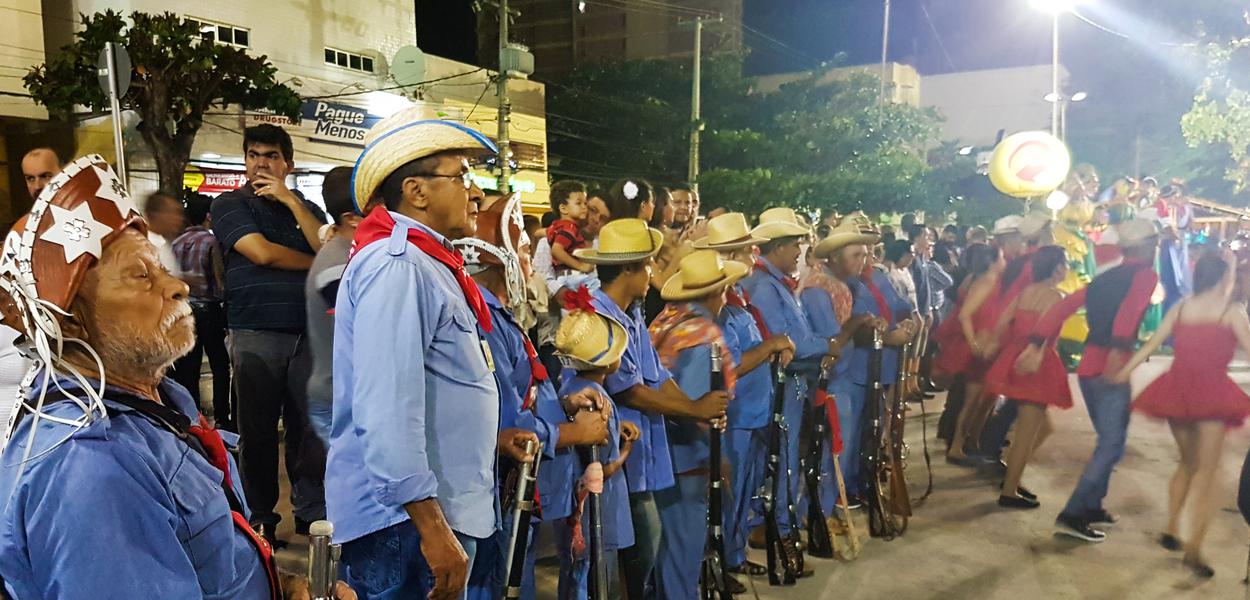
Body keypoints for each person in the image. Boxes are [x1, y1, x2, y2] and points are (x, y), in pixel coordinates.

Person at [0, 156, 353, 599]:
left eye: (160, 268)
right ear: (70, 323)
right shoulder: (89, 470)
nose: (177, 286)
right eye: (140, 276)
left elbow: (209, 560)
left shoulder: (162, 402)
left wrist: (283, 588)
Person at [328, 109, 531, 599]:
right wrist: (432, 529)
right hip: (406, 526)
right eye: (462, 175)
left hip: (435, 513)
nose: (476, 191)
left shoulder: (428, 261)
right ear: (416, 191)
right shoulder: (397, 265)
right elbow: (387, 410)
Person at [455, 194, 609, 600]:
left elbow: (526, 392)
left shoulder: (501, 314)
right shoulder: (485, 321)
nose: (532, 262)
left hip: (524, 487)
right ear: (499, 261)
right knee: (502, 583)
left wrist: (564, 405)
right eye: (524, 251)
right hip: (507, 487)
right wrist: (575, 433)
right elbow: (509, 421)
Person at [573, 218, 728, 600]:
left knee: (643, 548)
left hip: (641, 455)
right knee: (624, 554)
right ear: (629, 269)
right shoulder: (598, 314)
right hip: (614, 454)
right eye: (647, 265)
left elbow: (655, 377)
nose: (652, 274)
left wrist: (697, 408)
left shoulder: (633, 312)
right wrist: (694, 409)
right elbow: (629, 391)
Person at [210, 123, 327, 545]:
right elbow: (259, 252)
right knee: (258, 432)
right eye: (254, 154)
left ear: (288, 164)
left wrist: (292, 202)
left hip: (311, 331)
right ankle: (260, 519)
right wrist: (312, 262)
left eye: (271, 156)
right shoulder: (228, 204)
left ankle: (311, 513)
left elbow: (328, 249)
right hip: (256, 329)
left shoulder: (307, 207)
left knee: (310, 430)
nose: (261, 162)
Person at [1017, 219, 1160, 543]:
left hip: (1088, 370)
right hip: (1111, 368)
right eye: (1154, 243)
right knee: (1111, 444)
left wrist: (1035, 342)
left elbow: (1064, 307)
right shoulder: (1146, 275)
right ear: (1145, 247)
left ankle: (1093, 505)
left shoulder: (1104, 278)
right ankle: (1074, 512)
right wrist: (1118, 349)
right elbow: (1129, 310)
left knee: (1109, 442)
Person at [1109, 252, 1250, 577]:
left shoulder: (1182, 307)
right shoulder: (1231, 312)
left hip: (1176, 390)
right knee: (1209, 473)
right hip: (1212, 394)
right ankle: (1194, 549)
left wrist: (1123, 372)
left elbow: (1151, 346)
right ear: (1224, 278)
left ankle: (1172, 527)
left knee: (1187, 463)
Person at [740, 207, 843, 572]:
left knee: (774, 462)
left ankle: (767, 528)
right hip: (779, 388)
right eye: (795, 245)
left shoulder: (773, 283)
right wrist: (825, 345)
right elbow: (789, 341)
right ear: (780, 247)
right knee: (781, 462)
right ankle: (782, 537)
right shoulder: (764, 287)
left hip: (786, 385)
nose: (800, 252)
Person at [693, 213, 795, 578]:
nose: (754, 258)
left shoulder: (738, 301)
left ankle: (733, 557)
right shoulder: (717, 308)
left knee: (743, 490)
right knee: (727, 493)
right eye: (745, 252)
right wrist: (772, 345)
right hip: (734, 416)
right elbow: (730, 365)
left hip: (753, 412)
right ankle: (721, 563)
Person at [648, 250, 751, 598]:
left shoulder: (667, 321)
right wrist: (714, 458)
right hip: (687, 461)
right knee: (682, 555)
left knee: (667, 552)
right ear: (713, 293)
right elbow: (693, 408)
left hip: (663, 456)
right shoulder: (701, 335)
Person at [551, 304, 640, 600]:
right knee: (599, 578)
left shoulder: (569, 387)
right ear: (607, 363)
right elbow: (605, 467)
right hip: (597, 508)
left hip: (570, 507)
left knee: (574, 573)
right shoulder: (600, 401)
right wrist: (627, 448)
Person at [803, 219, 886, 514]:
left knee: (841, 448)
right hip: (831, 382)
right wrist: (856, 324)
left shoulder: (841, 285)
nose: (862, 261)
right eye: (856, 255)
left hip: (844, 379)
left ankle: (828, 507)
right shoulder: (818, 289)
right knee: (832, 452)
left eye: (865, 255)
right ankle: (820, 513)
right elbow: (831, 344)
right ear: (835, 257)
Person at [982, 246, 1071, 509]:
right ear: (1057, 268)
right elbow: (1043, 334)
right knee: (1027, 432)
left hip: (1016, 356)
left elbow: (1002, 323)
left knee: (1044, 428)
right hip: (1037, 363)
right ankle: (1009, 490)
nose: (1067, 268)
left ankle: (1012, 475)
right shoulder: (1055, 296)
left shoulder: (1025, 292)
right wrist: (1034, 352)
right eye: (1065, 263)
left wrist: (1002, 345)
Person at [934, 243, 1004, 463]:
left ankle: (970, 442)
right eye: (1001, 257)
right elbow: (965, 314)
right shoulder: (987, 281)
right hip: (980, 346)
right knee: (972, 400)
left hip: (979, 344)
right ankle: (958, 446)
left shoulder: (973, 279)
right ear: (992, 261)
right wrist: (973, 343)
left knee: (978, 399)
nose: (1004, 262)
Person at [304, 167, 359, 443]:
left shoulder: (348, 255)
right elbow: (357, 338)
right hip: (339, 401)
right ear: (352, 219)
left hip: (343, 396)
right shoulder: (338, 267)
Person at [169, 193, 231, 428]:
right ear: (208, 216)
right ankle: (223, 418)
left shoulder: (175, 244)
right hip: (209, 311)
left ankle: (193, 418)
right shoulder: (210, 242)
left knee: (189, 368)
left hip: (185, 312)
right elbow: (219, 279)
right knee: (219, 364)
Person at [549, 180, 595, 276]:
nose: (584, 207)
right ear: (563, 208)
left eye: (585, 203)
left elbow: (542, 232)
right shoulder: (569, 228)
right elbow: (556, 250)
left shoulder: (558, 226)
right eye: (578, 203)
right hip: (572, 275)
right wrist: (580, 266)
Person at [142, 191, 186, 274]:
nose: (179, 219)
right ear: (155, 215)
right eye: (173, 212)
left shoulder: (163, 244)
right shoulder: (143, 248)